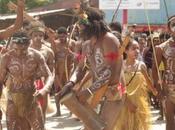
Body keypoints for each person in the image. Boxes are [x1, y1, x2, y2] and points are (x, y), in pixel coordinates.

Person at [58, 7, 125, 130]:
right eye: (78, 23)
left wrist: (89, 91)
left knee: (104, 128)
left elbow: (109, 71)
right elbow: (80, 68)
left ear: (92, 24)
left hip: (112, 93)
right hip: (95, 93)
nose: (78, 27)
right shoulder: (86, 44)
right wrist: (70, 83)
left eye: (81, 23)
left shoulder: (109, 39)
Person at [0, 31, 54, 130]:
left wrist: (44, 90)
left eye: (23, 49)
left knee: (40, 128)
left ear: (29, 44)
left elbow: (49, 76)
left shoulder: (36, 56)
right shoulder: (6, 58)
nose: (19, 52)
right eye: (16, 49)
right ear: (12, 45)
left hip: (32, 98)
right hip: (13, 99)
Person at [115, 40, 157, 130]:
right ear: (126, 51)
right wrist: (127, 102)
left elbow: (148, 82)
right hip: (123, 102)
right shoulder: (120, 66)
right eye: (133, 48)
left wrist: (156, 91)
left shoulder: (141, 65)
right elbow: (118, 85)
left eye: (138, 48)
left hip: (139, 104)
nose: (137, 51)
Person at [152, 15, 175, 130]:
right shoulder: (161, 48)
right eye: (174, 25)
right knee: (170, 120)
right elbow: (155, 70)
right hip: (169, 90)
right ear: (169, 28)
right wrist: (159, 90)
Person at [29, 24, 55, 120]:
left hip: (42, 81)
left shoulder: (48, 51)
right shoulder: (25, 50)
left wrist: (47, 86)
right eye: (35, 35)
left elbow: (51, 71)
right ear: (31, 36)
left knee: (41, 110)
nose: (38, 38)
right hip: (28, 82)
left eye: (40, 35)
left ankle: (42, 122)